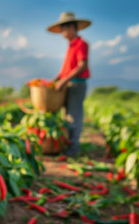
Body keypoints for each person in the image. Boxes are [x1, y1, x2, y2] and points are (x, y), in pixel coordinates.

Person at [47, 12, 91, 157]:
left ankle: (74, 148)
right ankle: (69, 145)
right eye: (61, 29)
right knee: (67, 116)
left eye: (64, 29)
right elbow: (65, 71)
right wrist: (54, 81)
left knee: (74, 116)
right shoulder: (71, 46)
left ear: (73, 27)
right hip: (68, 84)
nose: (62, 33)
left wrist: (64, 81)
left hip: (76, 84)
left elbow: (82, 66)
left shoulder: (81, 44)